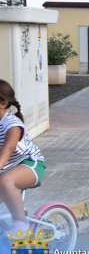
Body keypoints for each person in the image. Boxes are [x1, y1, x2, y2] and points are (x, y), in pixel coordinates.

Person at [0, 80, 46, 234]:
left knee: (6, 180)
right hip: (7, 168)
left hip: (30, 164)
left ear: (3, 103)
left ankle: (21, 223)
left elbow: (6, 152)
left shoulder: (12, 126)